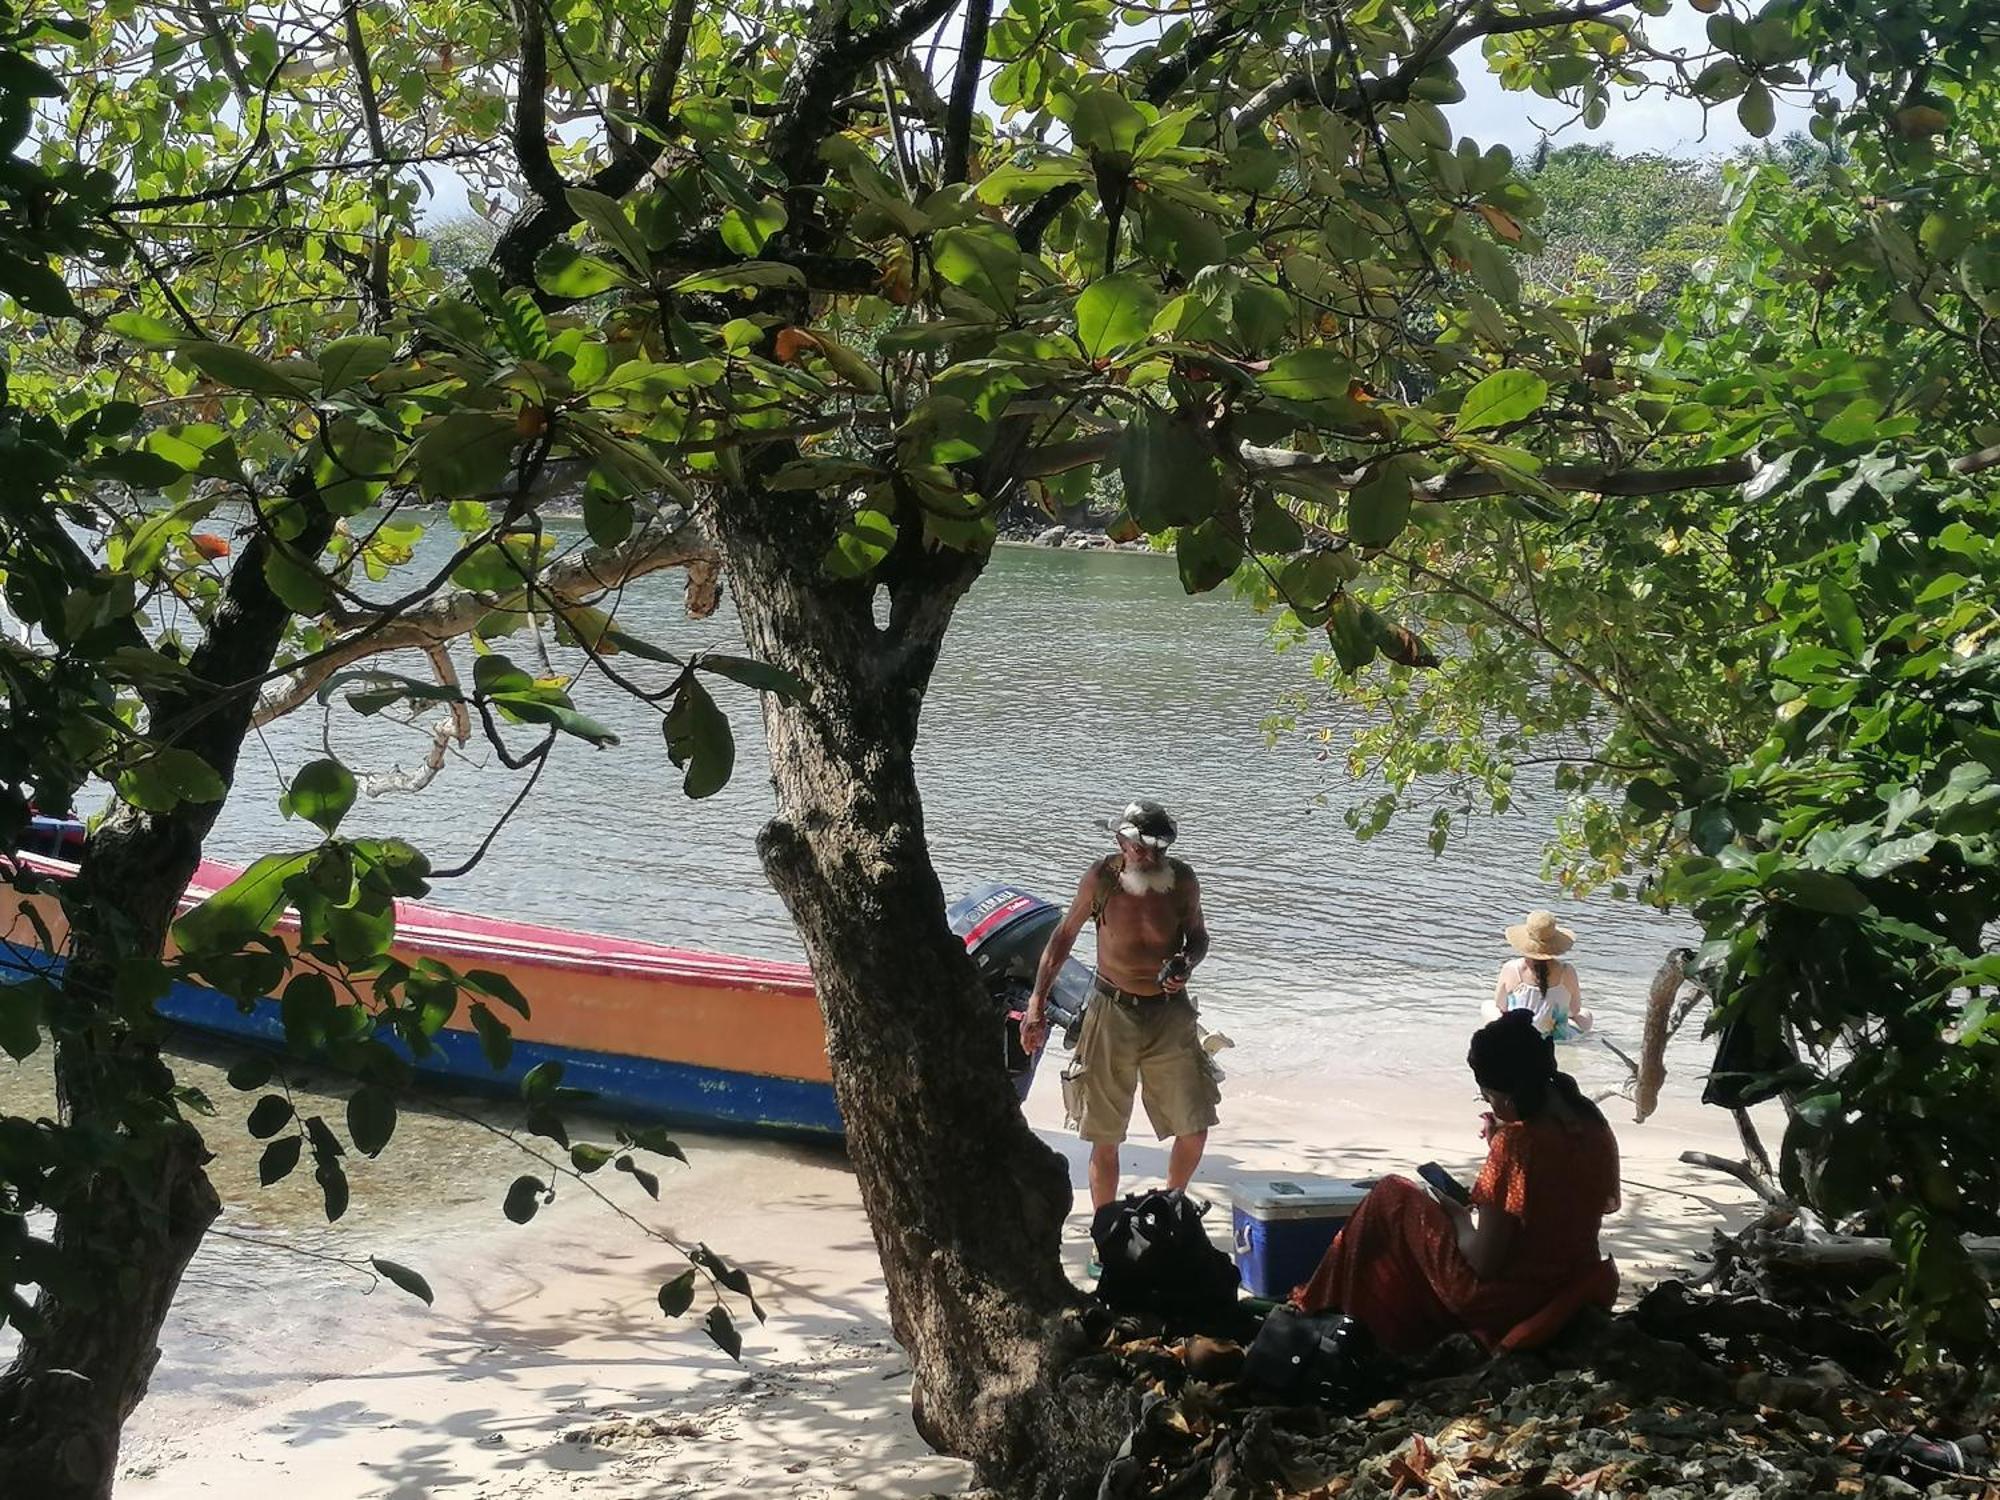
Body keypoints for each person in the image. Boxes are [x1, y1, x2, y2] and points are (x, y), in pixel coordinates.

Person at [1290, 1010, 1620, 1356]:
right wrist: (1499, 1151)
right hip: (1567, 1279)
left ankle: (1318, 1304)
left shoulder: (1518, 1145)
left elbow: (1483, 1262)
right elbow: (1564, 1200)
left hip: (1504, 1298)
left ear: (1508, 1095)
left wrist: (1458, 1217)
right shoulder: (1592, 1126)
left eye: (1489, 1097)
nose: (1490, 1105)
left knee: (1392, 1195)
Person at [1021, 800, 1218, 1210]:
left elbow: (1198, 937)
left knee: (1194, 1126)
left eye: (1159, 849)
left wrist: (1187, 963)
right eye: (1141, 848)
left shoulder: (1182, 880)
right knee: (1105, 1136)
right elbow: (1062, 939)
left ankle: (1170, 1212)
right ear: (1120, 841)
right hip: (1112, 1012)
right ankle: (1105, 1233)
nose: (1150, 857)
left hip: (1170, 1012)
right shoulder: (1101, 879)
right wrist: (1036, 1005)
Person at [1486, 909, 1594, 1039]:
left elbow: (1501, 1005)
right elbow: (1574, 1010)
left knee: (1488, 1006)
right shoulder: (1567, 971)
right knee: (1585, 1014)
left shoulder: (1511, 968)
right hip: (1555, 1036)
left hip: (1518, 1035)